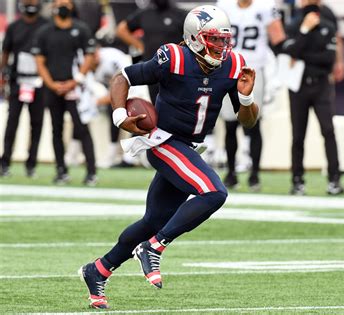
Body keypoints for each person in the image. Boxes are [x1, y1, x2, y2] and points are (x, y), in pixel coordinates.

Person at [78, 5, 258, 309]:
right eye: (213, 39)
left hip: (188, 148)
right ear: (194, 38)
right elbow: (122, 77)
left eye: (224, 39)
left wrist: (246, 97)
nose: (221, 46)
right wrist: (121, 115)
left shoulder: (233, 65)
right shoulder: (173, 57)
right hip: (163, 142)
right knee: (214, 191)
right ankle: (154, 248)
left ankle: (98, 269)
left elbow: (248, 121)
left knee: (154, 220)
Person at [217, 0, 286, 191]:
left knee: (254, 122)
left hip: (254, 70)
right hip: (229, 69)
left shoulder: (265, 6)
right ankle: (231, 173)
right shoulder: (224, 5)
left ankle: (254, 174)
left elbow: (278, 38)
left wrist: (284, 68)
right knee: (230, 124)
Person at [283, 0, 344, 195]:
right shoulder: (295, 25)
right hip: (299, 85)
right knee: (298, 135)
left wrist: (303, 56)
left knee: (328, 130)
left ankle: (334, 179)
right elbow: (289, 50)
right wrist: (304, 31)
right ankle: (297, 180)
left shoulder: (327, 25)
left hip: (321, 84)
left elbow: (328, 59)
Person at [32, 0, 97, 185]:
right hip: (53, 89)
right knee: (56, 129)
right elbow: (39, 61)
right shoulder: (44, 32)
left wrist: (76, 81)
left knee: (82, 128)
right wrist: (51, 84)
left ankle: (91, 171)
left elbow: (89, 56)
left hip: (76, 89)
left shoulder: (81, 29)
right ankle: (61, 170)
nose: (63, 6)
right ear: (53, 6)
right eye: (60, 2)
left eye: (66, 3)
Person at [0, 0, 47, 178]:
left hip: (39, 82)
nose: (31, 3)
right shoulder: (14, 27)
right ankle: (5, 162)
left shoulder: (45, 26)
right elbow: (6, 52)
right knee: (12, 122)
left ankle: (31, 164)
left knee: (37, 124)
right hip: (17, 80)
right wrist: (2, 76)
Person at [116, 0, 186, 103]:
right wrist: (140, 46)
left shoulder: (180, 13)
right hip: (153, 70)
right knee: (156, 104)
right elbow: (121, 29)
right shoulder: (145, 13)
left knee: (178, 106)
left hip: (176, 70)